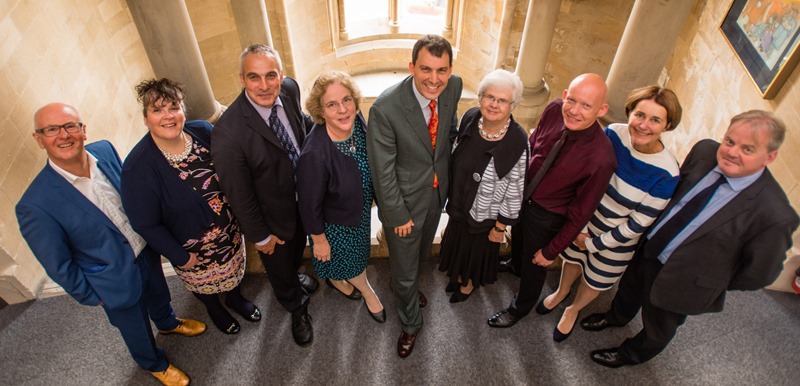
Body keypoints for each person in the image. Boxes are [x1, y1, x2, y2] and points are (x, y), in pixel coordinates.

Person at [583, 110, 800, 368]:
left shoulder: (775, 214)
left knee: (659, 326)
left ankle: (631, 354)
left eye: (748, 149)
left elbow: (758, 275)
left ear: (770, 156)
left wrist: (710, 280)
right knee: (629, 289)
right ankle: (616, 316)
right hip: (650, 248)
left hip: (689, 281)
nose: (731, 152)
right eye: (730, 141)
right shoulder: (705, 151)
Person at [16, 103, 206, 386]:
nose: (63, 135)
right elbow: (58, 265)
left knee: (160, 295)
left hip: (146, 252)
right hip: (110, 280)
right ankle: (154, 363)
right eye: (51, 130)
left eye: (70, 126)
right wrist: (94, 296)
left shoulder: (105, 151)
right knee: (135, 329)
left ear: (83, 130)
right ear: (39, 139)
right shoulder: (35, 204)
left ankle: (168, 324)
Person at [121, 78, 260, 335]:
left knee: (232, 272)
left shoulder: (203, 131)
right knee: (204, 286)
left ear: (183, 110)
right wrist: (179, 256)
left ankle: (235, 298)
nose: (168, 116)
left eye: (173, 107)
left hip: (229, 232)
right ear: (145, 118)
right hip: (191, 248)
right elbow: (145, 223)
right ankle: (214, 309)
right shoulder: (137, 168)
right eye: (157, 109)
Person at [544, 86, 682, 342]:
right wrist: (580, 226)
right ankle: (561, 292)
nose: (643, 125)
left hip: (616, 241)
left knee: (595, 279)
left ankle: (573, 309)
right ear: (630, 113)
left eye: (655, 120)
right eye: (640, 115)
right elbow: (588, 178)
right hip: (584, 222)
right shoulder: (613, 134)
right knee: (572, 260)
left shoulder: (667, 173)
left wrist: (595, 244)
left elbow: (638, 224)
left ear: (667, 125)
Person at [488, 73, 617, 329]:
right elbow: (533, 145)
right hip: (523, 197)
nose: (575, 111)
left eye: (586, 106)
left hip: (547, 216)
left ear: (601, 109)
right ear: (565, 95)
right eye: (573, 100)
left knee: (535, 264)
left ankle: (520, 308)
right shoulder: (555, 109)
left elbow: (581, 213)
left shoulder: (602, 158)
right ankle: (515, 265)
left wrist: (552, 251)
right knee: (519, 241)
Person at [211, 44, 319, 347]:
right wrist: (260, 237)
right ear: (242, 79)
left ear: (281, 75)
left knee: (297, 251)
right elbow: (238, 193)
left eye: (270, 75)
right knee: (280, 268)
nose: (264, 85)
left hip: (305, 203)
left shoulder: (290, 89)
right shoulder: (228, 132)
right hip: (272, 219)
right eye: (253, 77)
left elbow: (302, 125)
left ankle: (295, 277)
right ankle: (295, 306)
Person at [367, 34, 463, 358]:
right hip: (404, 205)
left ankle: (403, 287)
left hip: (436, 196)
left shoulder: (455, 86)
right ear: (411, 67)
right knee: (407, 269)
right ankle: (410, 323)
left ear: (450, 70)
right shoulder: (385, 108)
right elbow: (382, 171)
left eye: (442, 70)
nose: (434, 80)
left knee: (419, 257)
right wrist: (397, 216)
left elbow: (448, 129)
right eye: (426, 69)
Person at [296, 71, 385, 323]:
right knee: (350, 260)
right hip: (334, 224)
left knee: (355, 256)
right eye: (332, 105)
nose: (343, 109)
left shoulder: (356, 122)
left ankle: (336, 279)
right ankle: (366, 290)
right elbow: (308, 204)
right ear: (320, 111)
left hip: (358, 211)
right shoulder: (314, 154)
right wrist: (319, 239)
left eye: (347, 100)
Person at [437, 69, 528, 303]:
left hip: (486, 215)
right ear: (480, 98)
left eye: (502, 100)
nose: (494, 104)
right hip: (459, 204)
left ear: (512, 105)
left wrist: (500, 227)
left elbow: (515, 190)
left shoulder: (517, 140)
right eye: (489, 97)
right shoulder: (471, 118)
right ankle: (457, 276)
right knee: (458, 244)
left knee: (474, 253)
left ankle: (468, 284)